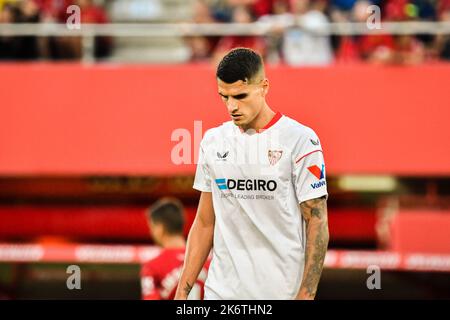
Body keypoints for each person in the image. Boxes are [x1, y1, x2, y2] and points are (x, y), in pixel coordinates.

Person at [175, 48, 329, 300]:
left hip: (280, 293)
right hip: (221, 293)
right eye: (224, 97)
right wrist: (182, 293)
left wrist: (306, 294)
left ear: (264, 87)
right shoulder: (213, 141)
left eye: (240, 95)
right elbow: (204, 223)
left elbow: (317, 220)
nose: (231, 106)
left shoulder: (300, 140)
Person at [140, 198, 209, 300]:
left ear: (160, 228)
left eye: (152, 227)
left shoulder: (152, 267)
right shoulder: (209, 261)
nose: (151, 232)